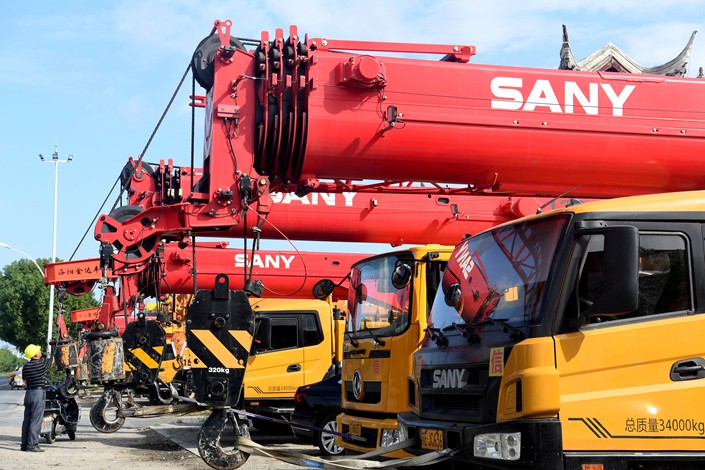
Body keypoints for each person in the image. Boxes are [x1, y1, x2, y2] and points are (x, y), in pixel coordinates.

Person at [20, 344, 52, 452]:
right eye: (38, 350)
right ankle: (32, 445)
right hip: (38, 393)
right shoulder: (41, 363)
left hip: (28, 393)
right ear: (35, 354)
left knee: (27, 420)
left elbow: (25, 379)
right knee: (36, 420)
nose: (40, 351)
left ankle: (24, 445)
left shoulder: (26, 366)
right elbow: (51, 360)